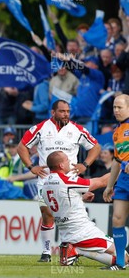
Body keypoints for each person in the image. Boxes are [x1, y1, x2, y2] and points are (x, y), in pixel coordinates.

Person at [18, 100, 101, 263]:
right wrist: (31, 166)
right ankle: (46, 251)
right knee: (47, 213)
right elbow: (22, 147)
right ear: (53, 112)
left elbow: (95, 147)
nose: (66, 115)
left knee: (69, 216)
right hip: (46, 180)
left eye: (68, 111)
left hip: (69, 181)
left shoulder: (77, 129)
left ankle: (70, 250)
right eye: (62, 111)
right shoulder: (41, 128)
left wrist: (85, 164)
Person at [43, 151, 123, 268]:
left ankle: (72, 249)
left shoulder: (45, 183)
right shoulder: (67, 181)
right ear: (61, 165)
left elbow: (61, 200)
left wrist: (80, 196)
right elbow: (102, 181)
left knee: (120, 257)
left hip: (66, 233)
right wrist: (121, 169)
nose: (69, 161)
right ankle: (76, 250)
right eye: (66, 160)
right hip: (84, 232)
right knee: (124, 257)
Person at [103, 94, 129, 270]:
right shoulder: (117, 132)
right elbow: (117, 161)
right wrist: (109, 186)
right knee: (117, 219)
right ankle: (120, 262)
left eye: (120, 107)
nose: (116, 110)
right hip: (124, 180)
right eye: (114, 107)